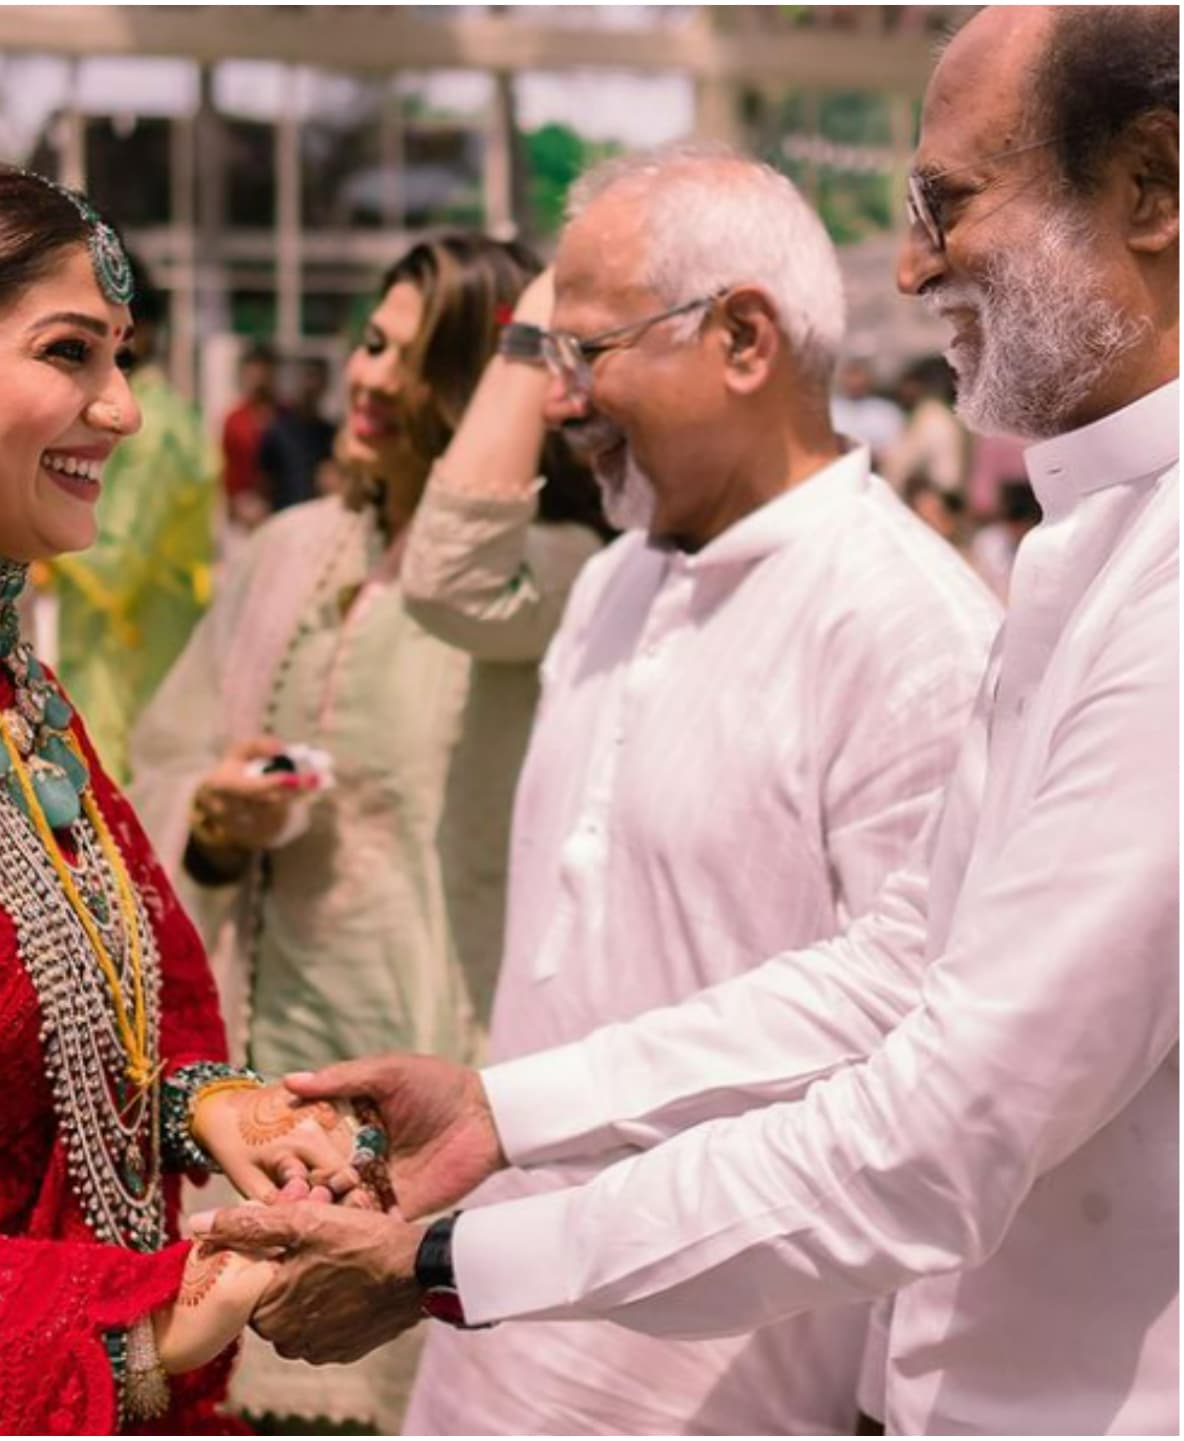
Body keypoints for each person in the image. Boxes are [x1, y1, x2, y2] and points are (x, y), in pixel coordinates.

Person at [200, 9, 1179, 1433]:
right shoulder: (1084, 543)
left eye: (947, 204)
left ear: (1151, 185)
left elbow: (939, 1132)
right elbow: (905, 967)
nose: (909, 268)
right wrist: (506, 1114)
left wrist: (451, 1259)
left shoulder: (1051, 591)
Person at [0, 150, 387, 1436]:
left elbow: (119, 1019)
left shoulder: (6, 690)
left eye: (121, 357)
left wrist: (213, 1104)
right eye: (70, 354)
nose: (120, 409)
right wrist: (132, 1330)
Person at [128, 234, 605, 1430]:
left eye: (418, 362)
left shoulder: (548, 583)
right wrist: (217, 823)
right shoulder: (291, 549)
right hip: (262, 1076)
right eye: (371, 342)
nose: (370, 380)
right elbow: (168, 754)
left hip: (435, 1082)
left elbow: (460, 565)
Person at [48, 277, 213, 785]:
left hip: (137, 671)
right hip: (103, 660)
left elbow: (113, 565)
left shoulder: (155, 426)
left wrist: (20, 520)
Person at [886, 352, 970, 497]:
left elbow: (946, 477)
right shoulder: (926, 415)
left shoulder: (934, 419)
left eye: (909, 384)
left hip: (931, 502)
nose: (903, 390)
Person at [257, 356, 335, 513]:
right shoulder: (277, 431)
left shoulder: (329, 432)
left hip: (318, 515)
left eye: (316, 377)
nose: (310, 385)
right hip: (283, 515)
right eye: (307, 377)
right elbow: (263, 480)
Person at [220, 347, 278, 532]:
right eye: (253, 374)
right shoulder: (234, 420)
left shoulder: (285, 419)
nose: (258, 380)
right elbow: (227, 471)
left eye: (263, 373)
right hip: (244, 512)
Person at [830, 357, 906, 466]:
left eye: (859, 375)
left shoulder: (887, 411)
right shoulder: (830, 409)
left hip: (876, 469)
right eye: (851, 375)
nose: (855, 382)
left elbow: (896, 447)